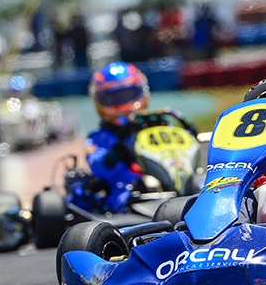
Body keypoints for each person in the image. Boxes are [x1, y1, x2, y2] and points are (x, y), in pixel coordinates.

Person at [73, 61, 197, 214]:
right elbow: (97, 166)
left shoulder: (160, 126)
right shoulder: (100, 138)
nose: (125, 104)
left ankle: (187, 188)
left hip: (170, 189)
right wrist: (115, 154)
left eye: (129, 94)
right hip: (129, 199)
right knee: (141, 185)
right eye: (116, 98)